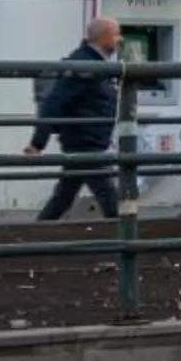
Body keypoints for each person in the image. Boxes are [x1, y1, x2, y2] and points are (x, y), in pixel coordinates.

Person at [25, 16, 123, 222]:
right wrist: (37, 142)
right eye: (116, 34)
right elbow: (53, 101)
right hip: (85, 142)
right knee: (108, 196)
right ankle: (124, 237)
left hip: (84, 139)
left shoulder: (91, 62)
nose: (119, 39)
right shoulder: (85, 65)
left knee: (64, 196)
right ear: (104, 36)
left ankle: (36, 233)